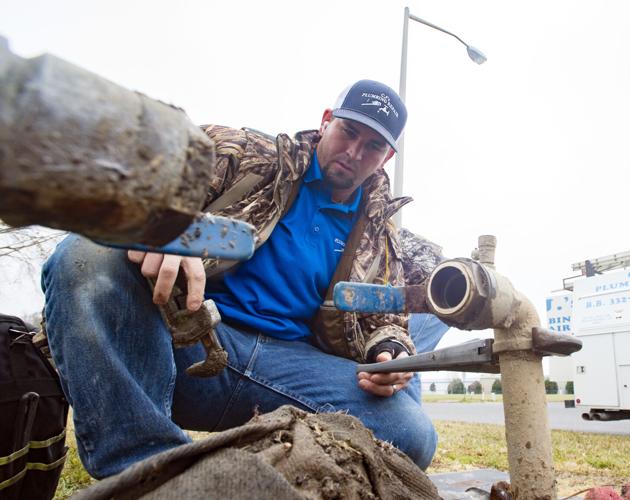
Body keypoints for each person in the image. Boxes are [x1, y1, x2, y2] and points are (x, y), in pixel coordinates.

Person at [41, 79, 449, 479]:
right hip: (188, 340)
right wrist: (161, 222)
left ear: (386, 156)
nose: (354, 152)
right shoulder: (247, 156)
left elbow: (385, 318)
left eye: (373, 145)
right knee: (87, 255)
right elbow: (141, 164)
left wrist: (389, 349)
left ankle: (276, 472)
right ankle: (146, 473)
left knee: (410, 434)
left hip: (293, 370)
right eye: (349, 131)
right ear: (326, 120)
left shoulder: (379, 230)